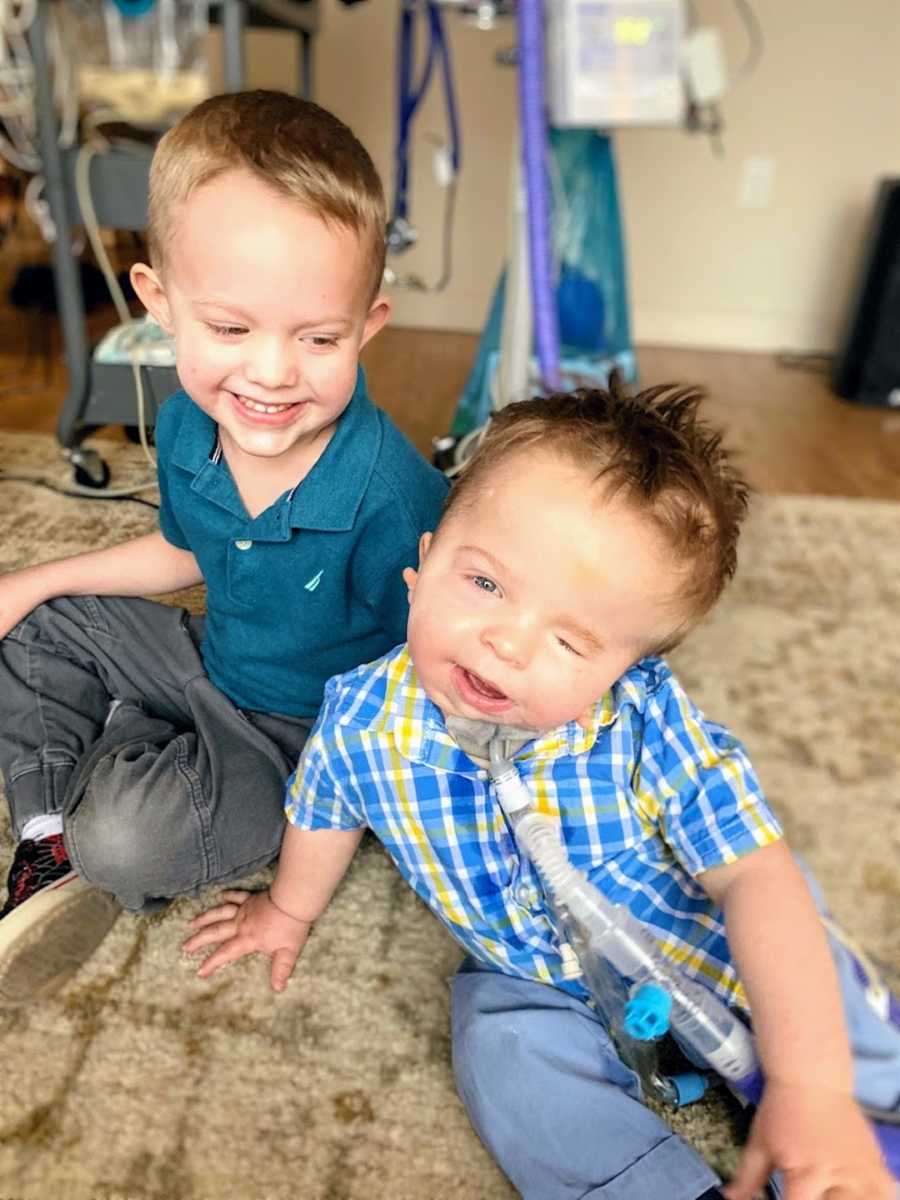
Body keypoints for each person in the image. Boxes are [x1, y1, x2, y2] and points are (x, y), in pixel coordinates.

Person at [185, 381, 900, 1200]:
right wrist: (287, 909)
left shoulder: (643, 724)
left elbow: (754, 875)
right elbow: (323, 810)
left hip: (705, 952)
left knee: (818, 996)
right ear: (420, 567)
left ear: (625, 667)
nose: (507, 643)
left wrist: (812, 1088)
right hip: (540, 979)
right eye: (484, 584)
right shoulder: (361, 718)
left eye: (570, 638)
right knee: (502, 1049)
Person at [0, 90, 448, 1006]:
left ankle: (114, 778)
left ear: (369, 323)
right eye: (231, 329)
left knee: (126, 841)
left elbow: (431, 683)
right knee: (33, 628)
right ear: (158, 303)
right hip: (208, 658)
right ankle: (47, 826)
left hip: (303, 741)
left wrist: (320, 860)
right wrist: (31, 578)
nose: (273, 372)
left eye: (319, 337)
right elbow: (186, 551)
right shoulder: (181, 426)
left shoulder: (392, 496)